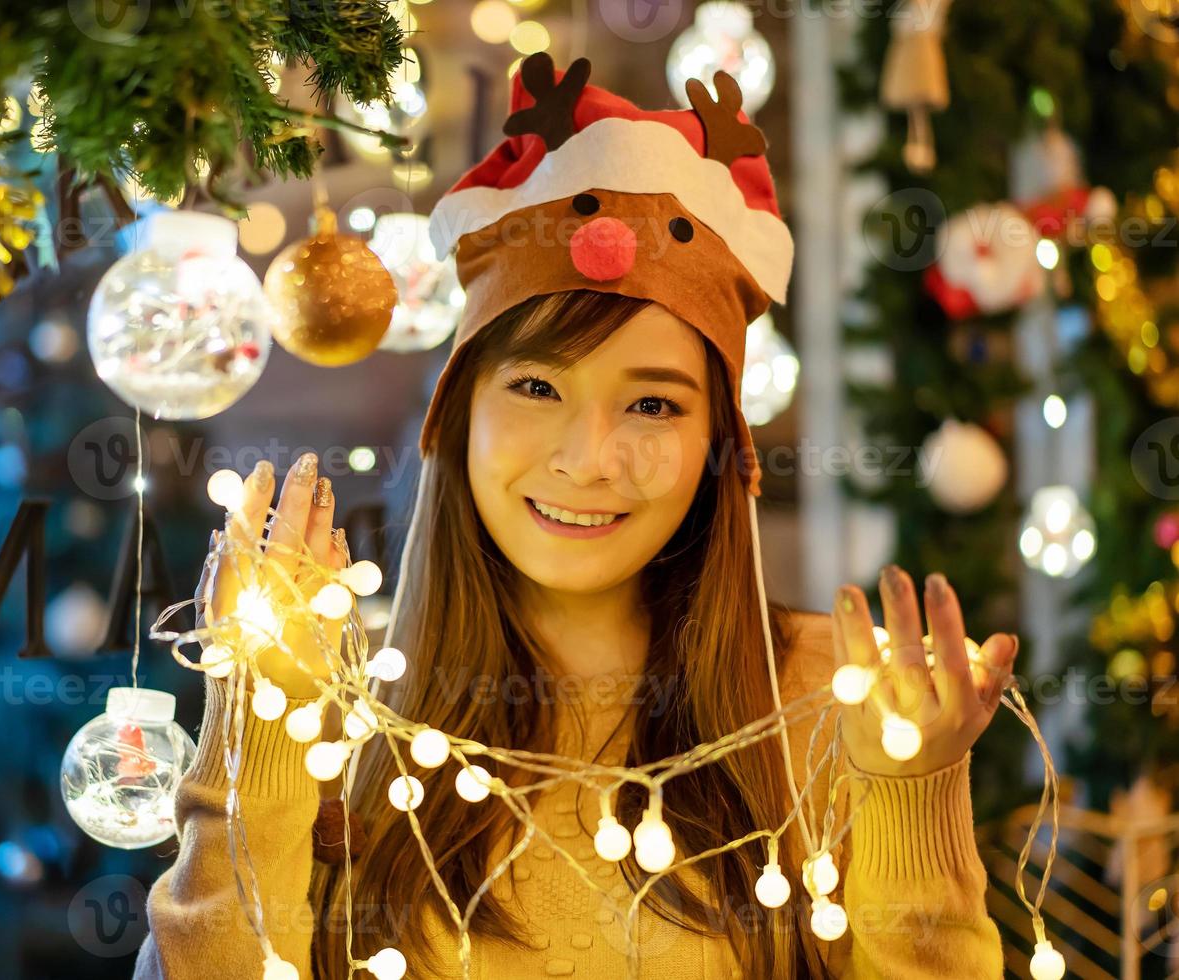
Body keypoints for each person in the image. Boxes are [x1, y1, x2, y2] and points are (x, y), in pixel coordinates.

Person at [135, 54, 1013, 979]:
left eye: (654, 405)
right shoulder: (341, 713)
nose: (589, 459)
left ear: (723, 444)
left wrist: (912, 792)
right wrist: (257, 734)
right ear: (458, 415)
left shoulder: (832, 703)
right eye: (538, 385)